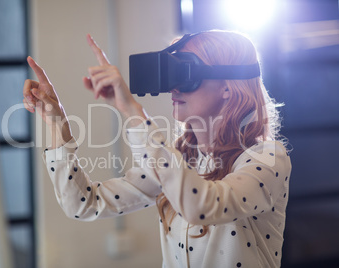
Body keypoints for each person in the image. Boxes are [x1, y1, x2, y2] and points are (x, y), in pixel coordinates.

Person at [22, 30, 292, 268]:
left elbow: (203, 205)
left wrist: (132, 110)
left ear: (227, 87)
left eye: (185, 73)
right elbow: (83, 204)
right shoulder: (182, 159)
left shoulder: (267, 157)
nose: (174, 86)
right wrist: (57, 123)